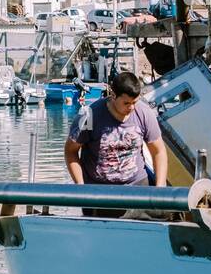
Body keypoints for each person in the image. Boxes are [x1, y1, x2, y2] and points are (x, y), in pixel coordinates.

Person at [64, 71, 168, 213]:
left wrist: (159, 189)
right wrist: (81, 186)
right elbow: (70, 151)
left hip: (137, 188)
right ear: (113, 95)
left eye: (134, 102)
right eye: (126, 103)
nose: (131, 108)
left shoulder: (144, 113)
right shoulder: (88, 115)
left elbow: (159, 151)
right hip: (98, 193)